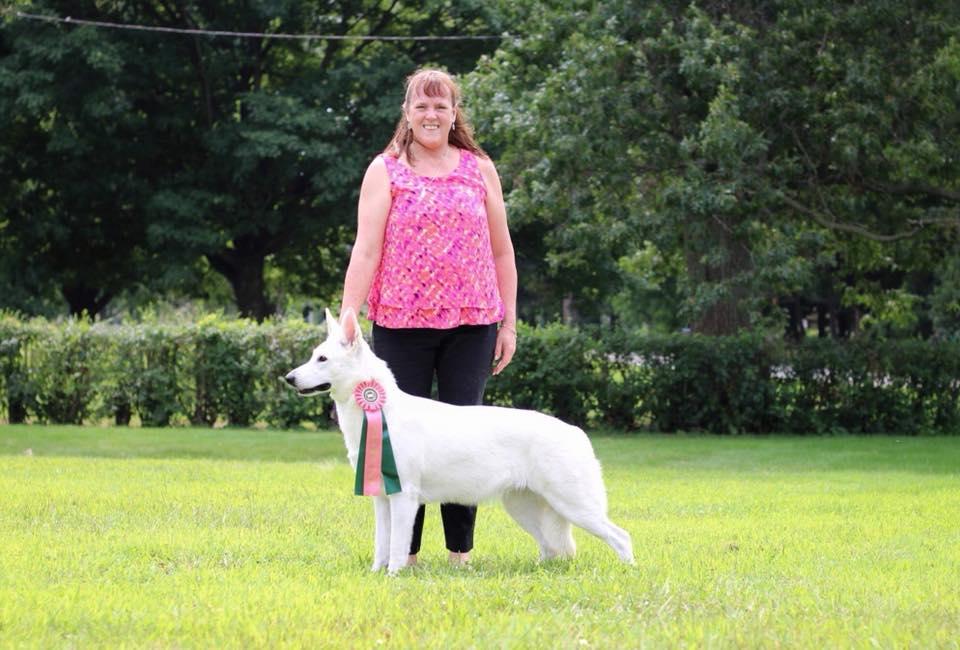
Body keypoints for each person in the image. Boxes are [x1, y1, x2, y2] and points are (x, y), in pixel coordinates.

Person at [339, 68, 518, 566]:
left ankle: (460, 551)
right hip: (401, 323)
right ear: (407, 112)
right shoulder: (385, 168)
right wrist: (348, 317)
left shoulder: (479, 167)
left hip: (473, 322)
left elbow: (502, 252)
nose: (431, 114)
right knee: (399, 439)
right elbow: (367, 248)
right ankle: (406, 554)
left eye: (441, 106)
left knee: (465, 438)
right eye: (422, 105)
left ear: (455, 112)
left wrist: (509, 323)